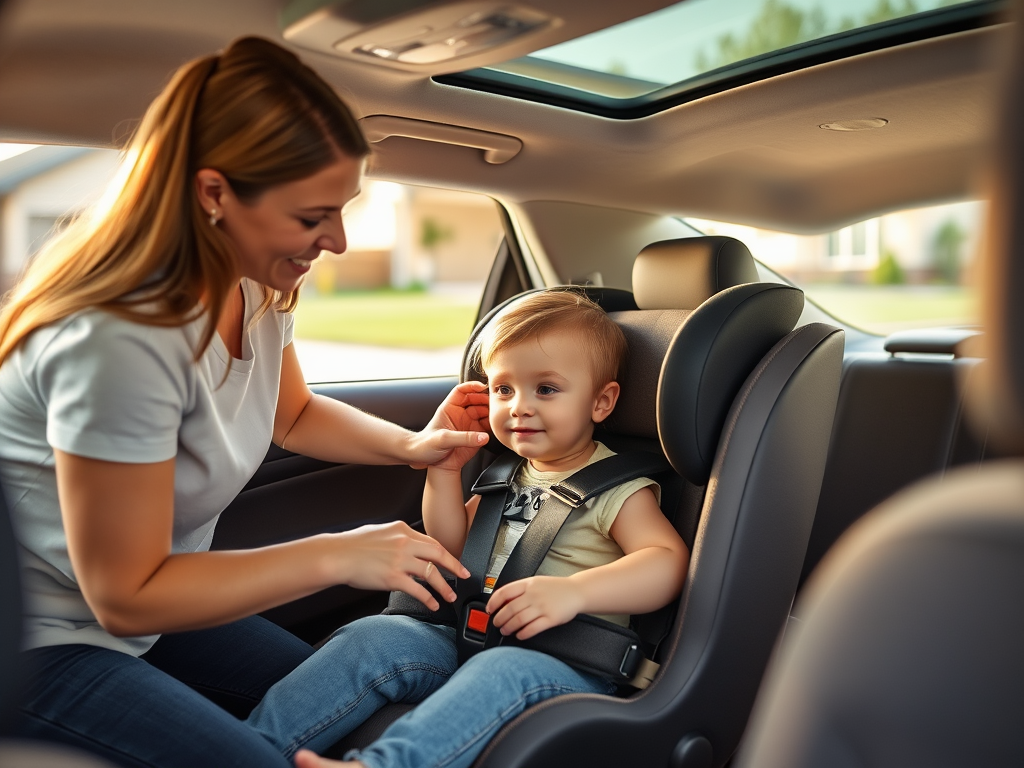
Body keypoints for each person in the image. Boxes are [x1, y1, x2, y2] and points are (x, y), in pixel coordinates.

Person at [0, 37, 490, 767]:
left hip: (149, 614)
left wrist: (411, 446)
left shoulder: (254, 284)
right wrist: (336, 556)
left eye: (345, 208)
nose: (340, 240)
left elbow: (289, 413)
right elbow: (126, 594)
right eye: (313, 215)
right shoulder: (118, 339)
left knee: (360, 710)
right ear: (214, 194)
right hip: (44, 643)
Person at [245, 290, 691, 768]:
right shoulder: (507, 475)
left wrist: (575, 593)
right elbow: (453, 548)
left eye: (546, 389)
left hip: (565, 663)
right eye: (503, 389)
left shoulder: (617, 489)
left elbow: (665, 562)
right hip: (471, 637)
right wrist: (442, 472)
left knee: (501, 670)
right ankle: (244, 749)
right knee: (373, 635)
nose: (519, 407)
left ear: (601, 402)